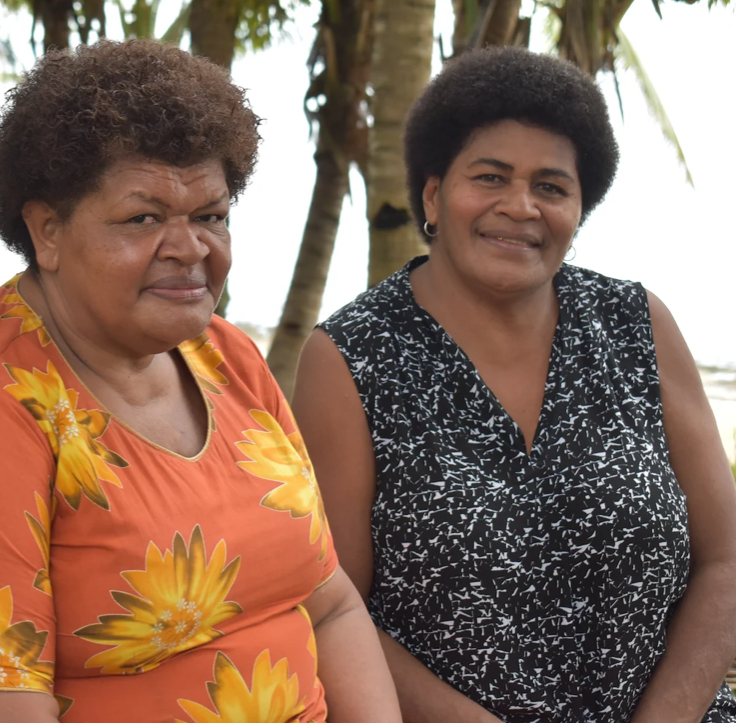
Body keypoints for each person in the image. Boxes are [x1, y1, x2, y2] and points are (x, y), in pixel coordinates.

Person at [0, 40, 401, 723]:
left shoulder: (225, 360)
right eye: (143, 218)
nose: (190, 249)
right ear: (47, 230)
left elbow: (331, 605)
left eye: (210, 216)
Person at [293, 46, 736, 723]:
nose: (521, 206)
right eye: (491, 177)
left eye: (551, 187)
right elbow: (331, 609)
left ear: (579, 209)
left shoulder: (636, 323)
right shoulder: (350, 357)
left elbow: (726, 563)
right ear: (434, 194)